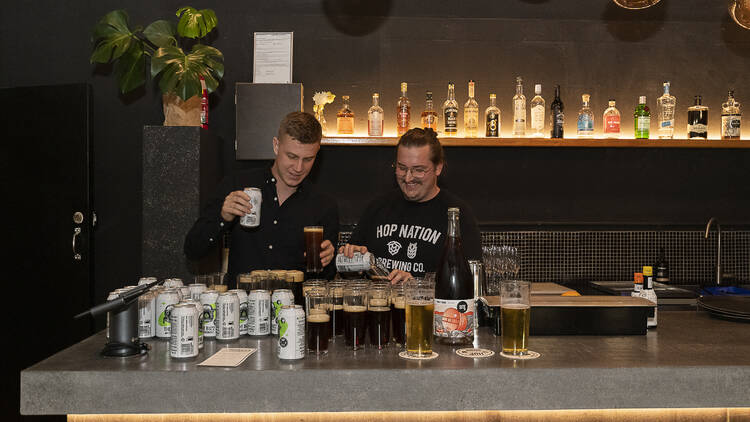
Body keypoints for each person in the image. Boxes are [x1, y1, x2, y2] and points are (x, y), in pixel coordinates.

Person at [185, 111, 338, 287]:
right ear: (276, 145)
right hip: (242, 309)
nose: (298, 167)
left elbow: (324, 280)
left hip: (294, 311)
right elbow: (193, 249)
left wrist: (328, 261)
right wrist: (222, 217)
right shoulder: (238, 184)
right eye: (292, 156)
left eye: (308, 159)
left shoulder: (324, 205)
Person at [339, 128, 481, 284]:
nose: (408, 178)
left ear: (438, 168)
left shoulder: (456, 214)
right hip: (381, 306)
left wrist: (418, 286)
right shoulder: (378, 206)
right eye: (402, 168)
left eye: (418, 170)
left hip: (429, 308)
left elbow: (470, 283)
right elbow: (349, 276)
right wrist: (352, 262)